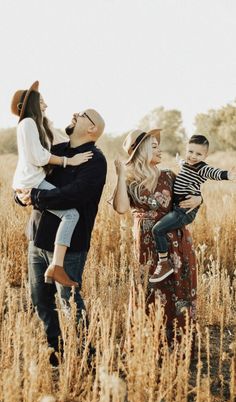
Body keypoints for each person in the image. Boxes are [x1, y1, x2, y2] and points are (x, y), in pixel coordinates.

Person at [15, 106, 107, 365]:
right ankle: (55, 351)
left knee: (69, 302)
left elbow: (76, 194)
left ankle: (87, 356)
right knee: (40, 299)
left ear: (92, 128)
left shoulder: (95, 159)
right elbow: (31, 173)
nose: (75, 114)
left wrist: (36, 196)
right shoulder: (56, 151)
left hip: (71, 245)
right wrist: (22, 195)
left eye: (82, 114)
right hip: (38, 237)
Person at [112, 129, 201, 351]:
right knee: (148, 289)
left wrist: (199, 197)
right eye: (153, 146)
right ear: (140, 151)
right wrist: (121, 176)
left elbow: (189, 199)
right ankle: (148, 344)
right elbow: (121, 208)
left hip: (176, 243)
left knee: (177, 290)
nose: (160, 149)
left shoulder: (169, 176)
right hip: (145, 246)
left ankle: (178, 346)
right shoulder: (130, 180)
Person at [12, 81, 94, 287]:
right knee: (71, 213)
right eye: (41, 101)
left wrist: (76, 128)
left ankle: (55, 264)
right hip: (32, 183)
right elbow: (39, 157)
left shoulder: (40, 125)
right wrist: (69, 161)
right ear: (28, 104)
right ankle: (57, 266)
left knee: (65, 212)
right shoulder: (28, 124)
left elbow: (58, 141)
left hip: (33, 182)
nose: (45, 105)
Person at [149, 134, 236, 283]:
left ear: (205, 155)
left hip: (184, 211)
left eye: (198, 154)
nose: (193, 156)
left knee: (157, 230)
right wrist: (178, 160)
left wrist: (229, 175)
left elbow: (214, 173)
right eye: (190, 152)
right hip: (178, 209)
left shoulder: (202, 168)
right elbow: (183, 162)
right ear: (186, 150)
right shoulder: (187, 164)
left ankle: (164, 263)